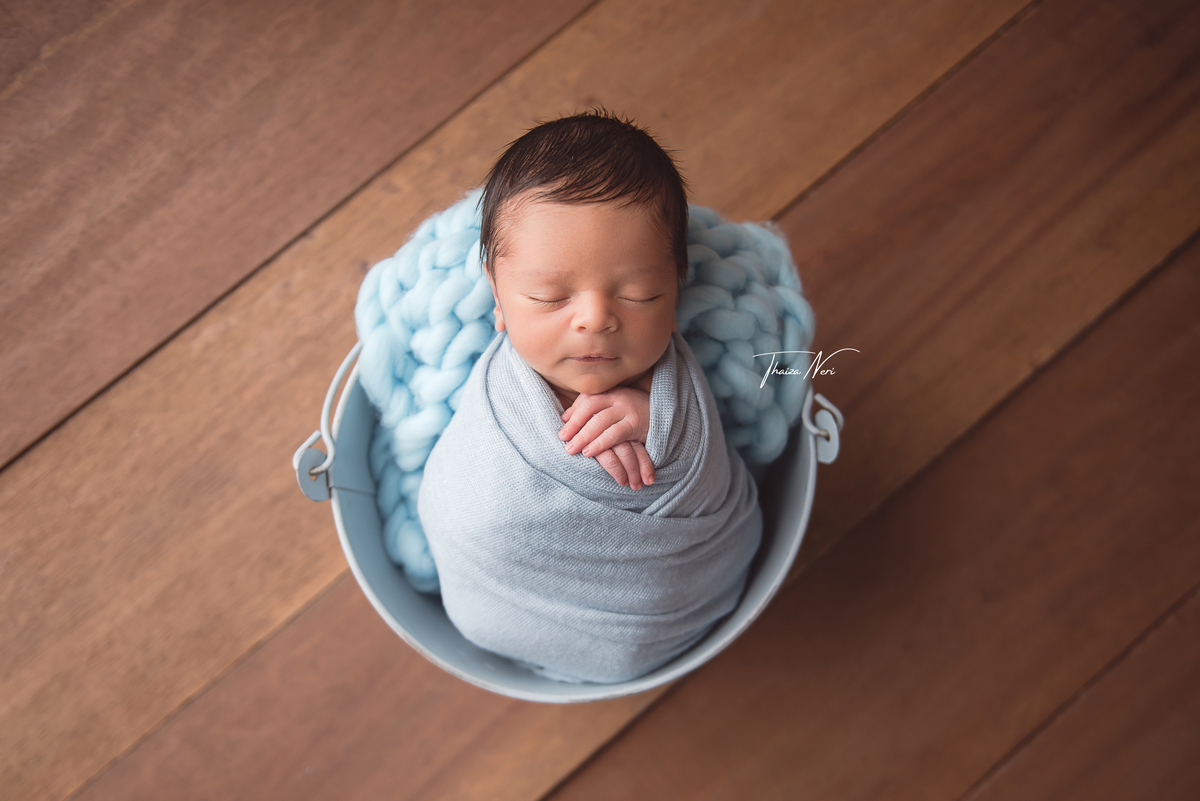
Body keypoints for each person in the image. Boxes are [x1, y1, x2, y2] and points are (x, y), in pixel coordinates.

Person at [418, 109, 761, 683]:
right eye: (549, 297)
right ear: (498, 300)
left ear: (676, 288)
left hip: (677, 597)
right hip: (503, 595)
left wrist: (661, 419)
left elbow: (706, 475)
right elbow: (467, 515)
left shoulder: (673, 384)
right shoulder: (499, 404)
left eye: (639, 294)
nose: (596, 319)